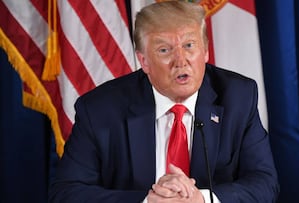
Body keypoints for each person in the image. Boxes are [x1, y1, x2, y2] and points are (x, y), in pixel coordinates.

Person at [49, 1, 279, 202]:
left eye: (189, 45)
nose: (181, 61)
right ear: (144, 61)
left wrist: (203, 199)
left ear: (206, 51)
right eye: (164, 50)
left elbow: (264, 183)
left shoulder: (238, 97)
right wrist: (148, 202)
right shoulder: (100, 109)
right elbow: (67, 193)